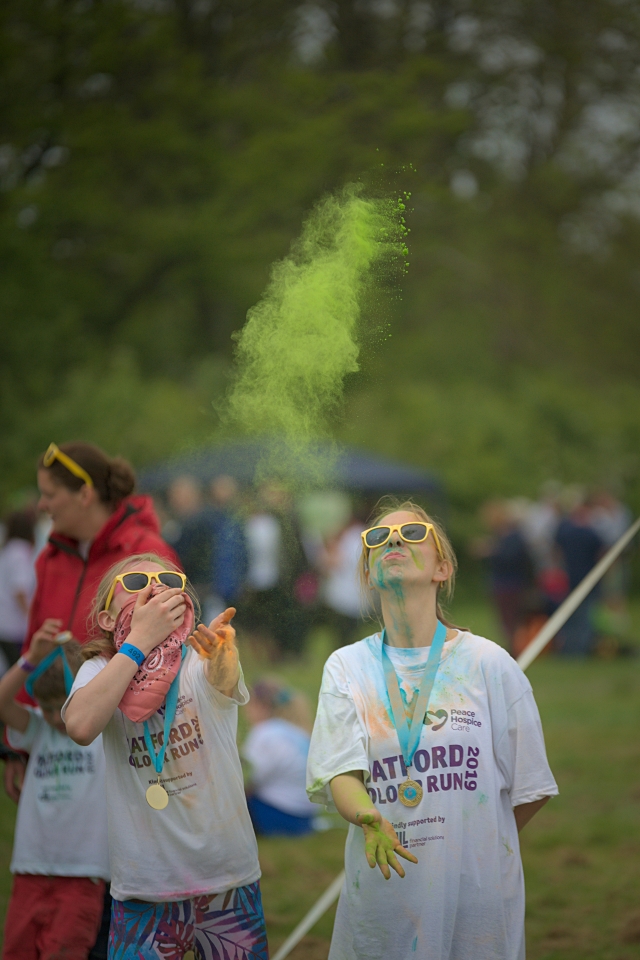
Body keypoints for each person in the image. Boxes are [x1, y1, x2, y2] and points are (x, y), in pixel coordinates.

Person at [307, 499, 558, 960]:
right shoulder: (346, 667)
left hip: (475, 903)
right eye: (378, 538)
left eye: (412, 534)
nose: (394, 541)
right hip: (384, 894)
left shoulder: (488, 663)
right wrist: (366, 814)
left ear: (442, 568)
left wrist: (474, 840)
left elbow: (532, 786)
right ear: (369, 574)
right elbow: (340, 771)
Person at [4, 441, 179, 959]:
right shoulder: (50, 557)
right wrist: (17, 748)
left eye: (50, 493)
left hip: (124, 744)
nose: (41, 505)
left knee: (111, 898)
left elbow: (170, 644)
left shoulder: (143, 551)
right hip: (59, 740)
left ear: (84, 493)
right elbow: (34, 642)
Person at [62, 553, 267, 960]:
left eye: (169, 580)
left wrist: (225, 659)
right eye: (136, 582)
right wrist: (139, 642)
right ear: (106, 619)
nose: (155, 587)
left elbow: (222, 679)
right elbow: (81, 726)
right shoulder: (99, 669)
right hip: (146, 886)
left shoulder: (199, 657)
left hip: (227, 877)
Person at [0, 633, 109, 960]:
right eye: (45, 708)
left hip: (83, 875)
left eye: (61, 705)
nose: (53, 716)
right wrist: (30, 659)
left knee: (63, 953)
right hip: (30, 870)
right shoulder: (38, 729)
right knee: (17, 951)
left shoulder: (102, 733)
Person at [243, 677, 317, 836]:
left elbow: (250, 779)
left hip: (279, 816)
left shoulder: (264, 732)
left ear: (260, 706)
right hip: (305, 818)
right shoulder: (298, 732)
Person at [555, 501, 604, 656]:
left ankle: (568, 648)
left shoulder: (565, 532)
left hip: (568, 579)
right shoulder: (591, 534)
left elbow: (556, 552)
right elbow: (601, 554)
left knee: (567, 615)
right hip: (586, 579)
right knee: (583, 616)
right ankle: (579, 649)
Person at [0, 510, 36, 669]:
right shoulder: (20, 552)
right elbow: (19, 590)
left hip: (4, 623)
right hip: (14, 626)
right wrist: (31, 617)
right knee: (20, 670)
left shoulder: (8, 549)